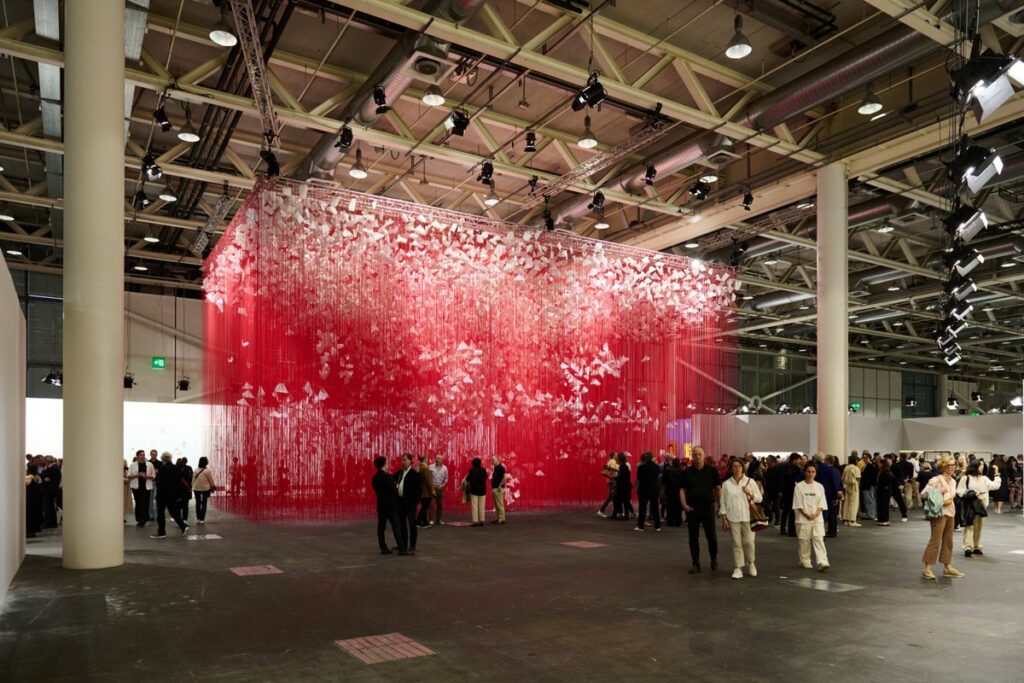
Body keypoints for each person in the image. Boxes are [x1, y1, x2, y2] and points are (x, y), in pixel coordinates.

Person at [680, 446, 720, 574]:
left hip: (708, 507)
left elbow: (717, 489)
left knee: (711, 536)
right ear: (692, 456)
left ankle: (714, 559)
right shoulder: (687, 472)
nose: (697, 457)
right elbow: (682, 490)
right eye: (695, 454)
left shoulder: (712, 470)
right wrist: (684, 504)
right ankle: (695, 563)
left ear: (704, 455)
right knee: (693, 537)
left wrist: (721, 505)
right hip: (692, 508)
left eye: (699, 454)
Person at [921, 457, 963, 579]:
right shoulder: (936, 479)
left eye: (954, 465)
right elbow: (923, 494)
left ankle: (947, 567)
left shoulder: (953, 481)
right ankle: (927, 568)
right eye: (950, 465)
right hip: (939, 513)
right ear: (943, 466)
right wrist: (939, 490)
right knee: (935, 540)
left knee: (948, 541)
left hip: (950, 512)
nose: (952, 467)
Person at [720, 457, 762, 579]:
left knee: (749, 542)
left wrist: (750, 493)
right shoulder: (727, 484)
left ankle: (751, 563)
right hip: (733, 517)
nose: (737, 468)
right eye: (734, 466)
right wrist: (724, 518)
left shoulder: (750, 481)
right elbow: (723, 502)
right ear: (731, 469)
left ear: (743, 468)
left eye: (739, 466)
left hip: (748, 517)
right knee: (736, 543)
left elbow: (759, 498)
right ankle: (738, 567)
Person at [957, 460, 1000, 557]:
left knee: (979, 526)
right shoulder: (966, 478)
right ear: (975, 466)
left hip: (982, 504)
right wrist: (972, 493)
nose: (982, 467)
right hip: (969, 503)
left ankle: (976, 546)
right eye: (981, 465)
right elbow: (959, 491)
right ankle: (968, 547)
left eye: (983, 465)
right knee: (969, 525)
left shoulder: (984, 478)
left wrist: (997, 474)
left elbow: (995, 486)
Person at [793, 461, 829, 572]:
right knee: (804, 540)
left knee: (819, 539)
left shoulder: (819, 486)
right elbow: (798, 503)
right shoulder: (799, 486)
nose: (811, 474)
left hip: (817, 518)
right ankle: (805, 560)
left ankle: (822, 562)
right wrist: (806, 514)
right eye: (808, 471)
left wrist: (816, 513)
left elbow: (822, 502)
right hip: (802, 518)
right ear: (805, 472)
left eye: (813, 472)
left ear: (816, 473)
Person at [372, 456, 407, 555]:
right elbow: (394, 490)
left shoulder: (375, 478)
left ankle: (383, 547)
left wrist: (399, 471)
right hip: (391, 505)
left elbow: (391, 478)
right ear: (384, 465)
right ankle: (402, 549)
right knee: (396, 526)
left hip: (381, 505)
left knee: (381, 527)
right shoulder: (387, 477)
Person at [151, 452, 189, 538]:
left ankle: (161, 533)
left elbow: (160, 482)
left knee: (160, 513)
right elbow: (180, 482)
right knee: (173, 512)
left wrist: (157, 476)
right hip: (172, 494)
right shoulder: (176, 468)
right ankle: (183, 526)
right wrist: (179, 494)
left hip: (162, 494)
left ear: (162, 459)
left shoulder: (162, 468)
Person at [394, 453, 421, 552]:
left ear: (410, 461)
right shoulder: (400, 472)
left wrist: (415, 502)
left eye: (405, 460)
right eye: (402, 460)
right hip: (401, 503)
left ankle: (412, 545)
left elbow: (418, 489)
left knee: (412, 524)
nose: (403, 462)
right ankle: (403, 544)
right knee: (402, 524)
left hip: (410, 504)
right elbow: (391, 478)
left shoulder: (414, 473)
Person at [814, 454, 843, 538]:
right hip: (834, 494)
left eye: (825, 460)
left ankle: (831, 531)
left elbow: (832, 484)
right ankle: (833, 530)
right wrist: (838, 493)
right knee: (833, 514)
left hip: (829, 495)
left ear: (828, 461)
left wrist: (834, 497)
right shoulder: (837, 471)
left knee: (829, 514)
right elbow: (840, 483)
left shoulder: (828, 471)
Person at [634, 452, 661, 531]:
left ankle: (641, 526)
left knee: (642, 508)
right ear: (652, 457)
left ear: (645, 458)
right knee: (655, 508)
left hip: (643, 489)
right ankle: (657, 526)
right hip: (654, 489)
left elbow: (639, 479)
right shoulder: (656, 467)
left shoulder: (641, 467)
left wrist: (636, 487)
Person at [127, 450, 155, 527]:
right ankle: (139, 519)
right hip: (136, 487)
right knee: (138, 503)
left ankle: (145, 519)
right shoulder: (132, 465)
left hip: (147, 487)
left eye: (144, 455)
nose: (143, 456)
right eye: (141, 455)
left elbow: (153, 475)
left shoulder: (149, 464)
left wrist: (147, 477)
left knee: (146, 503)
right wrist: (137, 475)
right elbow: (128, 476)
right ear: (137, 456)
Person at [779, 453, 803, 537]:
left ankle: (782, 528)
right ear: (795, 459)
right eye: (799, 459)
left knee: (785, 510)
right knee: (792, 511)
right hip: (792, 491)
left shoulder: (783, 466)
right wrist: (795, 483)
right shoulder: (794, 467)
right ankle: (791, 530)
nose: (800, 461)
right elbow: (793, 479)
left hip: (785, 491)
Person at [192, 456, 216, 524]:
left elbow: (193, 479)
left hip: (196, 488)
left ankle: (198, 518)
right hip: (205, 488)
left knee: (198, 503)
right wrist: (213, 486)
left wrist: (191, 486)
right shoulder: (208, 471)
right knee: (204, 503)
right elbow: (210, 480)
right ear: (205, 462)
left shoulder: (196, 470)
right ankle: (202, 519)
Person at [662, 452, 683, 527]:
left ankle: (670, 521)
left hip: (670, 491)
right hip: (679, 491)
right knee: (678, 507)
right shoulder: (682, 471)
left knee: (670, 507)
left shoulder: (668, 470)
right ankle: (678, 521)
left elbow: (664, 481)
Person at [466, 457, 488, 526]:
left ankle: (475, 521)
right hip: (482, 490)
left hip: (474, 490)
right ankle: (482, 520)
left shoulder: (472, 470)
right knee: (482, 506)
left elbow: (468, 479)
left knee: (474, 506)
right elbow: (486, 477)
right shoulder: (483, 470)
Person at [40, 456, 61, 529]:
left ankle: (48, 523)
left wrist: (44, 471)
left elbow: (42, 475)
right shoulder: (54, 467)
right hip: (51, 491)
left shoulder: (52, 468)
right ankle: (51, 523)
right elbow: (45, 477)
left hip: (49, 491)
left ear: (46, 461)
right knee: (50, 507)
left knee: (48, 507)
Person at [841, 455, 862, 527]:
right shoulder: (856, 468)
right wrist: (858, 487)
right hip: (854, 486)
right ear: (855, 461)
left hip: (847, 486)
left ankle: (846, 519)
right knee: (854, 504)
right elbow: (858, 478)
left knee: (847, 502)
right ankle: (852, 520)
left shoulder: (846, 467)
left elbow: (843, 477)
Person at [597, 451, 618, 518]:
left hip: (611, 481)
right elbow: (612, 471)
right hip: (613, 481)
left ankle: (615, 512)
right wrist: (613, 478)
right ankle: (601, 511)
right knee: (611, 497)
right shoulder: (613, 461)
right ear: (613, 456)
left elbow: (604, 471)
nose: (617, 455)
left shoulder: (610, 461)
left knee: (612, 497)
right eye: (616, 454)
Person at [429, 453, 448, 525]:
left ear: (442, 460)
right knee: (431, 504)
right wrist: (431, 487)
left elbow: (446, 478)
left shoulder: (445, 468)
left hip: (440, 488)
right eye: (436, 458)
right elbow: (428, 478)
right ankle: (431, 520)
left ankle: (438, 520)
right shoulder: (430, 466)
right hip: (433, 487)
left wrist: (443, 485)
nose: (437, 460)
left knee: (440, 505)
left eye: (439, 458)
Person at [416, 454, 434, 529]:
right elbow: (428, 481)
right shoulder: (425, 468)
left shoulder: (419, 467)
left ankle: (425, 522)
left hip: (421, 490)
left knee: (424, 506)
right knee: (425, 507)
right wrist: (432, 490)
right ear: (425, 459)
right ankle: (418, 521)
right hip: (426, 491)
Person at [876, 458, 896, 527]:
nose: (878, 464)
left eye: (879, 463)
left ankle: (883, 520)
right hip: (885, 491)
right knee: (884, 506)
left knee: (882, 506)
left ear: (883, 464)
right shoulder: (886, 471)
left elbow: (885, 481)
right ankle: (884, 520)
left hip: (883, 491)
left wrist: (885, 486)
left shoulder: (884, 472)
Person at [25, 464, 43, 538]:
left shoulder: (29, 477)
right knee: (33, 514)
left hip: (29, 497)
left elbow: (26, 483)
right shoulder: (37, 476)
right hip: (35, 497)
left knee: (29, 514)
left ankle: (29, 531)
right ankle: (32, 531)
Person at [614, 453, 633, 521]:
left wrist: (613, 477)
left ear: (620, 460)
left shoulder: (623, 467)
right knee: (625, 501)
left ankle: (626, 516)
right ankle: (625, 515)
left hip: (624, 487)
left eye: (617, 459)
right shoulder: (623, 466)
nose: (616, 460)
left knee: (625, 501)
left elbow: (621, 478)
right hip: (625, 486)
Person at [490, 455, 508, 525]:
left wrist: (500, 484)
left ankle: (502, 519)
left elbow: (505, 477)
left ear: (498, 460)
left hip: (498, 489)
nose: (492, 461)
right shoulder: (496, 468)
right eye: (491, 460)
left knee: (499, 504)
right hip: (495, 488)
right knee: (497, 505)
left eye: (493, 460)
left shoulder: (501, 468)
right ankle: (498, 518)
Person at [860, 454, 878, 521]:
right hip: (865, 486)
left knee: (870, 500)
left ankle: (871, 515)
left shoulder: (871, 466)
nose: (864, 459)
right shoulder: (865, 466)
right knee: (866, 501)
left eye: (866, 458)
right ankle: (868, 514)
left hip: (868, 486)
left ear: (869, 458)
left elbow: (873, 477)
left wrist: (871, 485)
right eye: (863, 458)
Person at [178, 457, 194, 524]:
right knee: (185, 505)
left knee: (179, 505)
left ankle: (180, 520)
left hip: (179, 490)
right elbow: (191, 477)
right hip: (186, 489)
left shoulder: (177, 469)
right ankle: (184, 519)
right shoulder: (189, 468)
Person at [122, 459, 134, 524]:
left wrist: (127, 479)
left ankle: (123, 517)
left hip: (125, 488)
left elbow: (129, 477)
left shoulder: (127, 470)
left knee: (124, 503)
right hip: (119, 488)